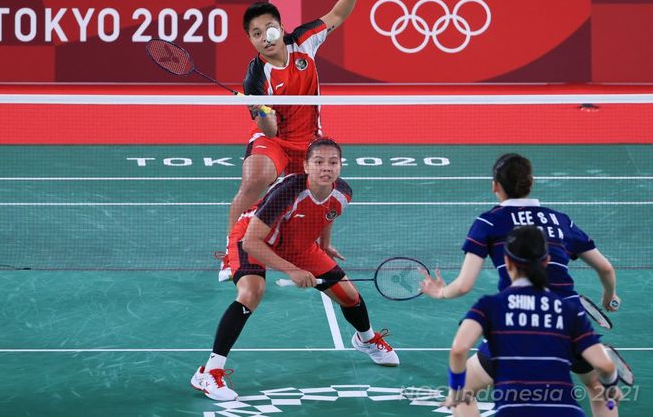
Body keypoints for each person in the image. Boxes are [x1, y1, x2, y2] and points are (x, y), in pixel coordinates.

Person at [192, 138, 399, 401]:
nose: (326, 168)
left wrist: (324, 245)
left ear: (341, 165)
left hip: (298, 243)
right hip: (253, 237)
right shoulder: (287, 193)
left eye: (333, 162)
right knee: (251, 293)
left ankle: (367, 340)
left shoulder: (343, 193)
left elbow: (329, 214)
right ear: (305, 166)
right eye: (319, 162)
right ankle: (209, 372)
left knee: (349, 295)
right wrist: (292, 271)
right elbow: (252, 242)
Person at [421, 153, 621, 417]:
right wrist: (609, 295)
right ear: (531, 182)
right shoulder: (559, 220)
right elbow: (605, 267)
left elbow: (465, 285)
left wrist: (441, 292)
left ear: (495, 185)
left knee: (464, 390)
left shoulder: (489, 222)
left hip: (513, 321)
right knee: (599, 389)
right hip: (569, 319)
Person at [216, 0, 369, 281]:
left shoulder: (303, 41)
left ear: (281, 27)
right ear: (251, 40)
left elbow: (337, 15)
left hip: (310, 140)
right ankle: (232, 254)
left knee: (318, 191)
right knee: (255, 179)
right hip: (275, 140)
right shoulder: (256, 76)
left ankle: (308, 249)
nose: (265, 37)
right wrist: (264, 111)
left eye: (269, 28)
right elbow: (267, 129)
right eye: (256, 34)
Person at [445, 226, 622, 416]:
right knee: (599, 389)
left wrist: (456, 389)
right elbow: (606, 366)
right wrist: (610, 385)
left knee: (464, 389)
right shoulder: (570, 311)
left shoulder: (490, 306)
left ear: (507, 262)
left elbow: (458, 349)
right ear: (546, 261)